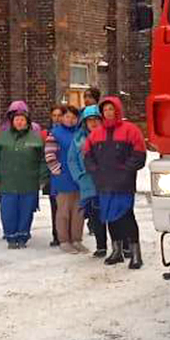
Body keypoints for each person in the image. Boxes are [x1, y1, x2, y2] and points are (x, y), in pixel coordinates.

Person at [84, 96, 147, 269]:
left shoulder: (131, 130)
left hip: (123, 184)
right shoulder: (96, 134)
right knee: (110, 218)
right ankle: (116, 251)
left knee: (127, 216)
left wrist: (125, 170)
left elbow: (139, 155)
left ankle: (135, 254)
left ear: (117, 110)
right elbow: (87, 156)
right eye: (105, 110)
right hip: (104, 184)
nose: (108, 112)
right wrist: (95, 171)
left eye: (111, 109)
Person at [0, 105, 48, 249]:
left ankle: (23, 236)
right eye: (17, 120)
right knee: (8, 210)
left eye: (22, 120)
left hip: (29, 182)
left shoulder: (35, 138)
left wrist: (42, 178)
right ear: (12, 121)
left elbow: (43, 160)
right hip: (7, 182)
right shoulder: (4, 136)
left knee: (26, 210)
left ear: (27, 122)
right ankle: (10, 236)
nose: (19, 122)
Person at [45, 105, 86, 254]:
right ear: (62, 118)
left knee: (78, 211)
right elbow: (49, 155)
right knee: (63, 211)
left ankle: (76, 239)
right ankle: (64, 240)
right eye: (67, 116)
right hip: (63, 178)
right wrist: (57, 170)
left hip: (79, 178)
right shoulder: (55, 133)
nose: (70, 120)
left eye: (74, 117)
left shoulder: (80, 133)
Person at [68, 105, 107, 257]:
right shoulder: (78, 139)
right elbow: (71, 160)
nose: (93, 123)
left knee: (113, 215)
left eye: (96, 119)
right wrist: (79, 176)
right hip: (88, 183)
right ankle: (101, 246)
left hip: (107, 182)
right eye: (89, 120)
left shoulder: (107, 135)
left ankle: (122, 246)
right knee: (95, 217)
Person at [43, 105, 63, 248]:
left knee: (67, 206)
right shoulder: (46, 133)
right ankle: (56, 235)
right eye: (54, 115)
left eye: (59, 115)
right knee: (54, 206)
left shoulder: (69, 131)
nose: (56, 118)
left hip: (66, 173)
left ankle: (67, 234)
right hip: (51, 174)